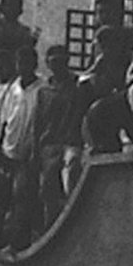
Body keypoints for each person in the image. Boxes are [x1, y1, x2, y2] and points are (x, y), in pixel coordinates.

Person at [0, 44, 42, 251]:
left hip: (27, 152)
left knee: (21, 198)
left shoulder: (41, 88)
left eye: (27, 63)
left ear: (34, 64)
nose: (23, 67)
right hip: (6, 148)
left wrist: (34, 152)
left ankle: (17, 243)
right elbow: (4, 120)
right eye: (20, 63)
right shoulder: (12, 89)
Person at [36, 43, 88, 227]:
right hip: (50, 143)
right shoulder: (43, 90)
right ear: (48, 63)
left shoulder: (78, 85)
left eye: (61, 60)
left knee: (72, 172)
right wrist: (37, 146)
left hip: (72, 142)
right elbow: (37, 121)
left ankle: (76, 221)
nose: (57, 65)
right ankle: (50, 225)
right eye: (53, 61)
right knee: (47, 186)